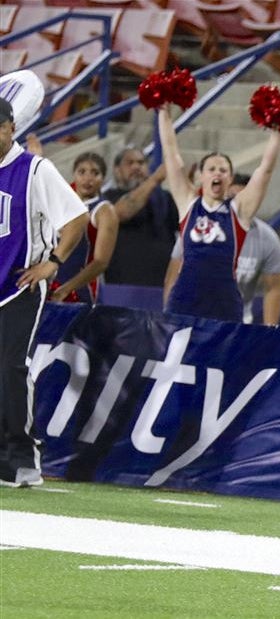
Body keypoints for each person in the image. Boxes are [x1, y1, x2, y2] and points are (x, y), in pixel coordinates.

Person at [0, 96, 87, 487]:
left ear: (10, 128)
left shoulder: (34, 169)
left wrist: (53, 261)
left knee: (10, 366)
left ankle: (22, 458)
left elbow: (75, 216)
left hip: (20, 286)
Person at [158, 103, 280, 322]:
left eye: (223, 170)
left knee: (221, 356)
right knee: (175, 355)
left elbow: (265, 170)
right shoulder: (188, 203)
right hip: (185, 297)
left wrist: (277, 134)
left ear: (230, 179)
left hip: (223, 301)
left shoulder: (239, 211)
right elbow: (170, 155)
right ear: (200, 176)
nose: (217, 173)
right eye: (211, 169)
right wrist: (163, 113)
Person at [102, 148, 178, 287]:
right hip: (123, 285)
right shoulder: (107, 198)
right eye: (130, 163)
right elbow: (121, 213)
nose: (136, 167)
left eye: (141, 162)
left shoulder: (165, 197)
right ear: (117, 170)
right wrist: (154, 179)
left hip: (163, 285)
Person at [51, 153, 118, 304]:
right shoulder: (62, 205)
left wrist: (66, 289)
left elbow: (101, 261)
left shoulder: (104, 210)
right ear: (74, 175)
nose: (88, 178)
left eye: (95, 173)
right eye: (82, 172)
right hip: (51, 286)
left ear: (103, 178)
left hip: (80, 291)